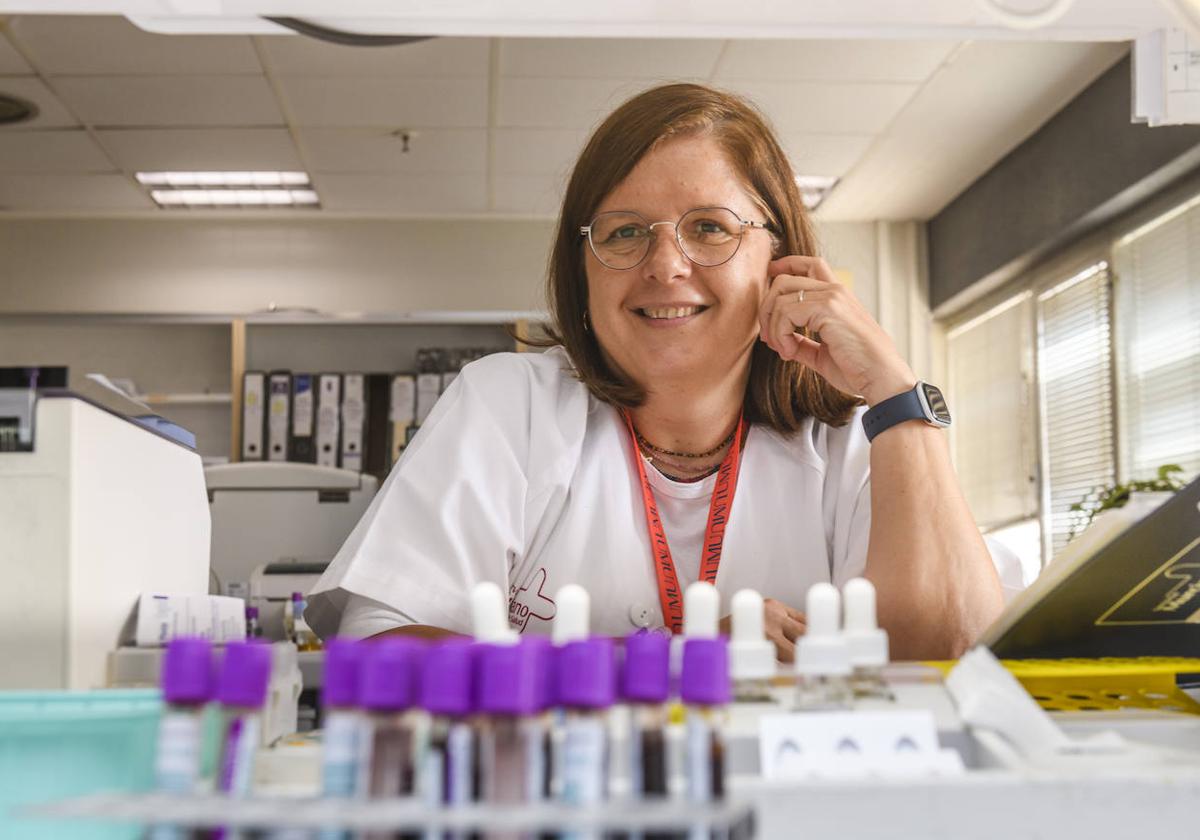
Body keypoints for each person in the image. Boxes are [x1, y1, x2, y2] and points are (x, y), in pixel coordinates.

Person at [306, 83, 1004, 661]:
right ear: (582, 271)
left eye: (709, 227)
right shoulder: (507, 405)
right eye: (624, 231)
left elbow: (955, 652)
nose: (665, 266)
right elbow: (378, 653)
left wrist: (896, 394)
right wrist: (677, 660)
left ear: (779, 259)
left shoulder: (851, 437)